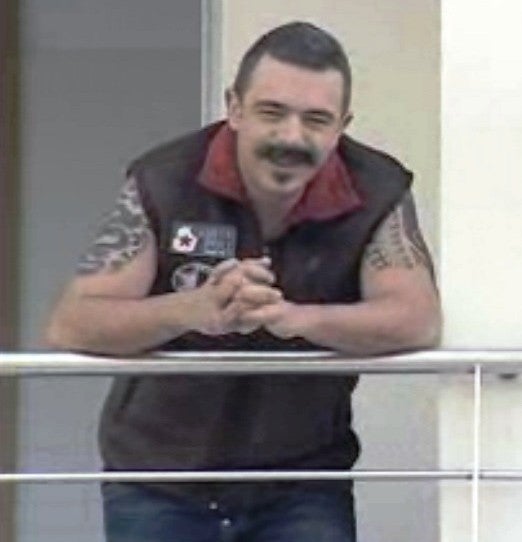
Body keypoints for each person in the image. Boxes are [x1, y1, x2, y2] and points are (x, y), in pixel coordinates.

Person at [45, 21, 440, 542]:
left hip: (303, 482)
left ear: (342, 126)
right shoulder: (165, 177)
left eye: (316, 120)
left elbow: (417, 320)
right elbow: (74, 324)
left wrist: (296, 318)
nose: (291, 137)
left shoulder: (377, 187)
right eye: (272, 112)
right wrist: (193, 310)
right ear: (234, 107)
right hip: (157, 480)